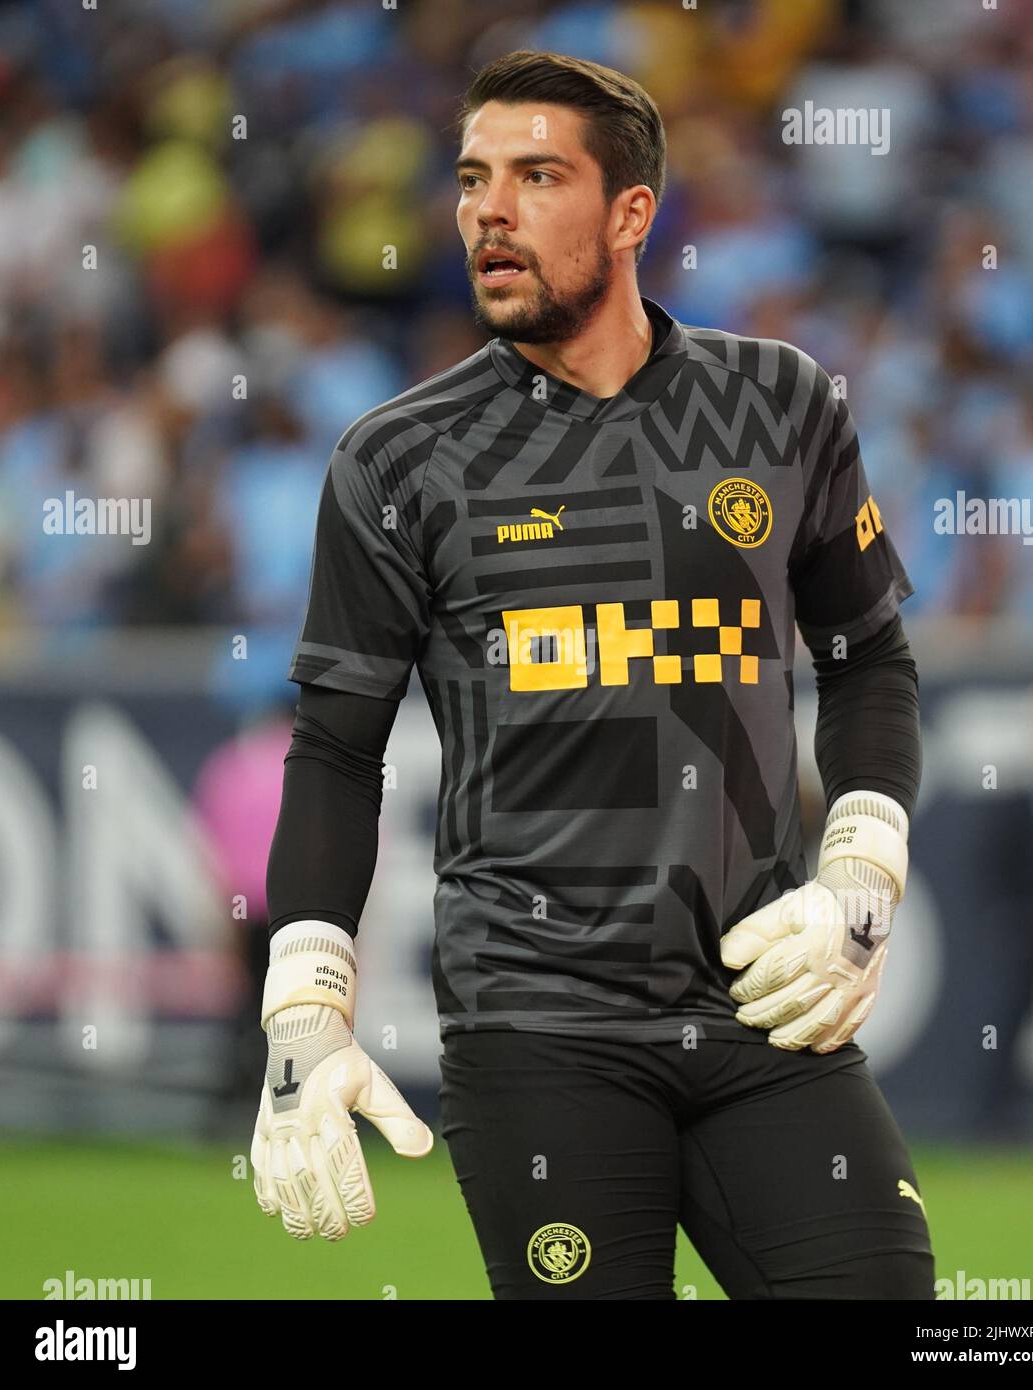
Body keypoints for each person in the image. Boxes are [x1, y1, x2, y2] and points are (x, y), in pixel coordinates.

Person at [250, 50, 933, 1300]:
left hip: (764, 1008)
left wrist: (863, 867)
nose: (485, 210)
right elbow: (336, 750)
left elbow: (869, 657)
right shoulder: (398, 459)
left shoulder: (777, 403)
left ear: (631, 212)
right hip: (537, 1027)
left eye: (534, 175)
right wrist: (306, 1006)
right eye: (469, 179)